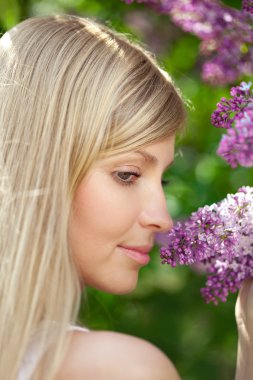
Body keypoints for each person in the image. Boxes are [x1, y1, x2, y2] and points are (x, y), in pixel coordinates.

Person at [0, 14, 251, 380]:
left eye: (161, 181)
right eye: (127, 175)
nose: (163, 218)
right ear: (40, 164)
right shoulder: (123, 368)